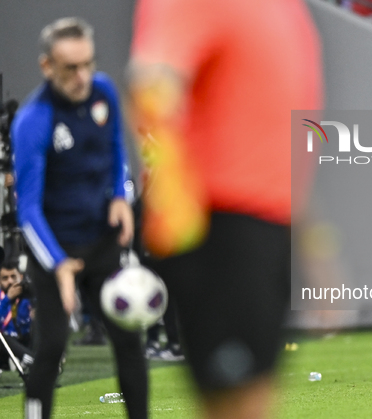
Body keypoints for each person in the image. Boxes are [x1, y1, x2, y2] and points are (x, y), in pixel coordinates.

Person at [125, 0, 322, 418]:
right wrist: (175, 202)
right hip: (221, 223)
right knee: (236, 405)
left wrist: (308, 240)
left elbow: (274, 130)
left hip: (266, 225)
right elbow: (150, 86)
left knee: (253, 399)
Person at [11, 18, 147, 419]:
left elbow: (116, 150)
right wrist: (58, 265)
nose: (82, 76)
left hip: (101, 242)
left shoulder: (103, 91)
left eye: (88, 63)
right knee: (50, 347)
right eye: (71, 68)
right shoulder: (33, 121)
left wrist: (121, 194)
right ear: (47, 67)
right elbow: (28, 209)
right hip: (55, 246)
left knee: (128, 340)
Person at [0, 259, 35, 371]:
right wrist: (7, 299)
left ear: (20, 276)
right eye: (5, 278)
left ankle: (39, 360)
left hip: (26, 339)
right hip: (4, 345)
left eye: (13, 277)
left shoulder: (30, 295)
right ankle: (35, 362)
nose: (10, 281)